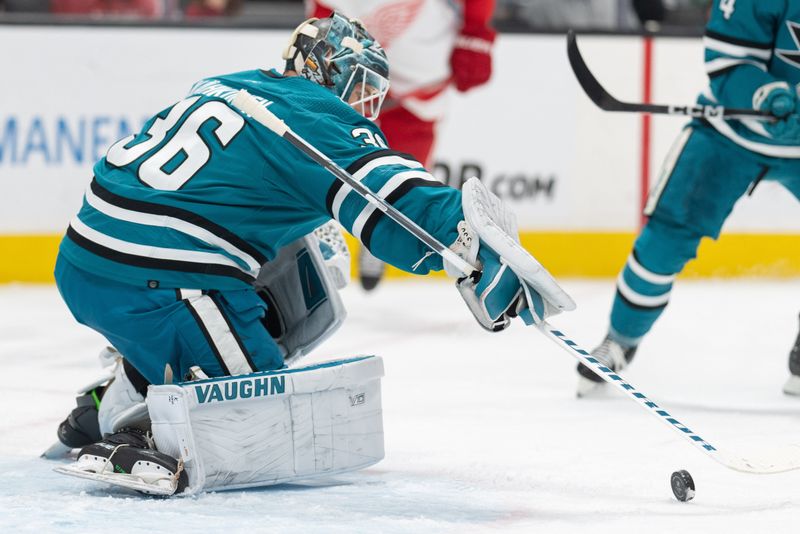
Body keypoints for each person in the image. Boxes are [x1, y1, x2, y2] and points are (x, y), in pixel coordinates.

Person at [49, 13, 572, 494]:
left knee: (266, 294)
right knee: (258, 423)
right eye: (359, 84)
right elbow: (389, 194)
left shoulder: (231, 84)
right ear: (327, 73)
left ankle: (114, 395)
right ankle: (133, 434)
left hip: (85, 259)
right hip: (161, 277)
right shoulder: (310, 111)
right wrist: (468, 241)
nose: (364, 101)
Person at [575, 0, 800, 397]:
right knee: (666, 237)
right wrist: (766, 95)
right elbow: (728, 62)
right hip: (731, 135)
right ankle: (621, 339)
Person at [306, 0, 497, 291]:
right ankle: (309, 236)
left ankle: (377, 235)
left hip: (420, 62)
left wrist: (475, 28)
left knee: (406, 162)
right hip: (352, 55)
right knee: (324, 151)